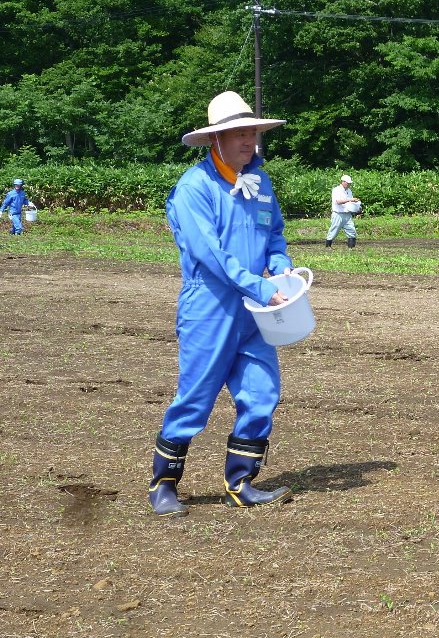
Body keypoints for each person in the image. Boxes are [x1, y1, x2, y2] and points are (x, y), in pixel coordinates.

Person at [148, 91, 296, 518]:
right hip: (210, 307)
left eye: (252, 132)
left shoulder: (261, 182)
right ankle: (163, 484)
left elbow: (274, 235)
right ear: (216, 140)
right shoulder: (194, 188)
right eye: (239, 134)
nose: (249, 141)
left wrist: (279, 264)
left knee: (261, 391)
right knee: (196, 396)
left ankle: (241, 482)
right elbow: (211, 256)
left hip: (254, 310)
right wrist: (260, 287)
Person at [325, 174, 360, 248]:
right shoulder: (336, 190)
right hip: (338, 213)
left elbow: (350, 203)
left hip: (347, 213)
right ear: (343, 182)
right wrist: (350, 199)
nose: (349, 185)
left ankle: (351, 248)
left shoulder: (349, 191)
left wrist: (356, 207)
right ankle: (328, 246)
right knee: (334, 230)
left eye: (349, 183)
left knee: (351, 230)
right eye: (347, 183)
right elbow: (338, 201)